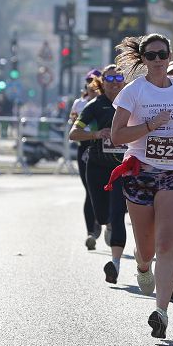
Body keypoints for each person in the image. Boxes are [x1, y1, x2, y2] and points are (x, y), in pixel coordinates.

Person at [107, 33, 173, 339]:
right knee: (145, 248)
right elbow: (117, 136)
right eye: (151, 56)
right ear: (143, 60)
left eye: (162, 55)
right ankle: (143, 268)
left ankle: (161, 312)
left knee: (167, 243)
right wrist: (149, 127)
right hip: (141, 170)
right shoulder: (133, 92)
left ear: (169, 56)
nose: (157, 61)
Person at [68, 65, 130, 284]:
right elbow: (73, 133)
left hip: (121, 169)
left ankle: (115, 265)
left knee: (117, 214)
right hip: (96, 166)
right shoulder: (95, 106)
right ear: (102, 82)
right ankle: (104, 224)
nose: (115, 82)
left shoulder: (132, 104)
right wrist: (97, 133)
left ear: (124, 82)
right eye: (110, 78)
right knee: (102, 215)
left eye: (119, 78)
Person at [71, 70, 102, 249]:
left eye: (95, 81)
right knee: (90, 191)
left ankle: (108, 222)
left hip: (105, 149)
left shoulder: (108, 102)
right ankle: (91, 231)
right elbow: (74, 125)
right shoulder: (80, 103)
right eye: (89, 81)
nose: (92, 84)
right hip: (85, 149)